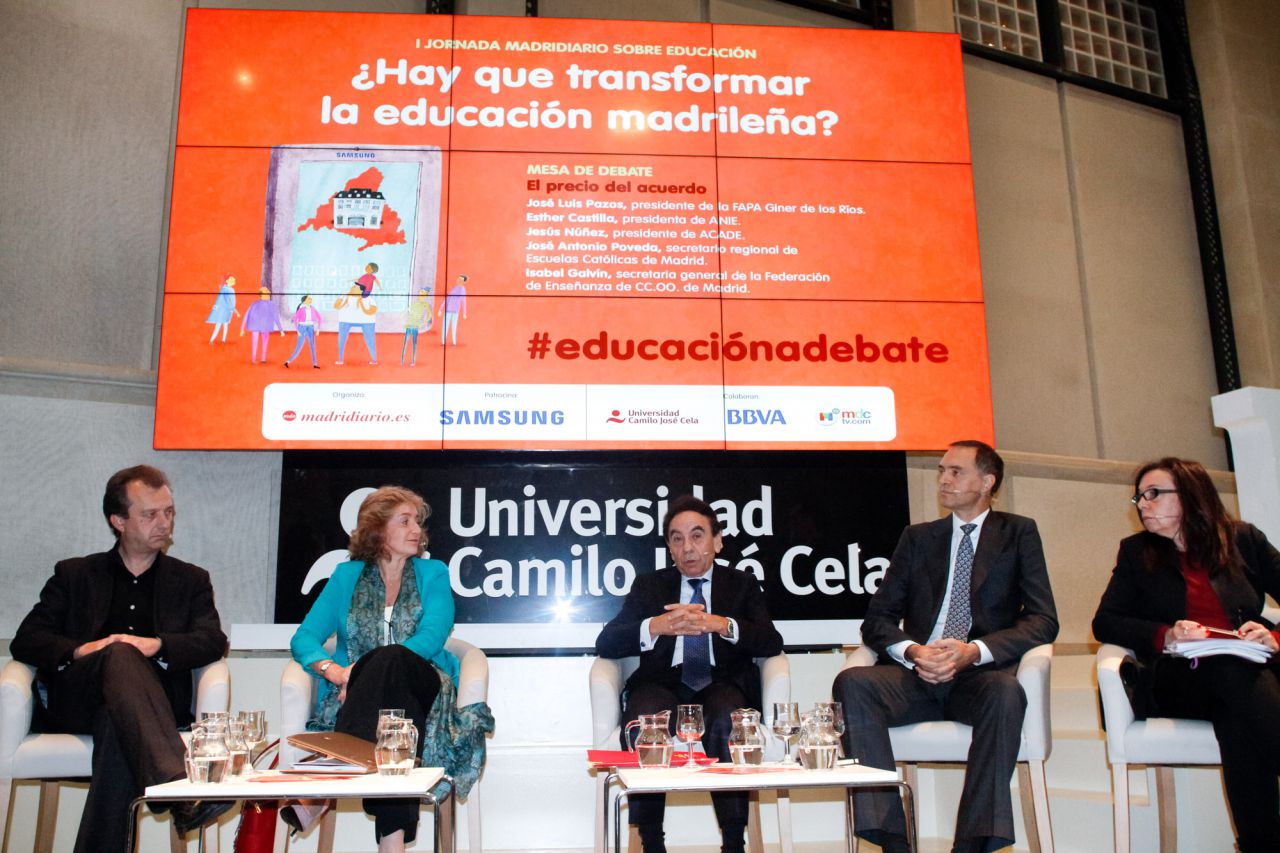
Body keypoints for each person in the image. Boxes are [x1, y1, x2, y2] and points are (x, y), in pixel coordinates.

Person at [832, 440, 1059, 853]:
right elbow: (877, 619)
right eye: (941, 471)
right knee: (853, 683)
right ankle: (893, 841)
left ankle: (971, 845)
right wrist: (914, 651)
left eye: (956, 471)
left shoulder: (1018, 532)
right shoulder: (918, 538)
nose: (944, 479)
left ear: (988, 481)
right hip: (916, 675)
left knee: (1008, 693)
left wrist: (976, 651)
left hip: (978, 677)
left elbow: (1043, 619)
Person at [10, 465, 230, 852]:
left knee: (117, 719)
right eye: (150, 515)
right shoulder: (75, 574)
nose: (163, 523)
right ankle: (177, 785)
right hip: (78, 697)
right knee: (117, 653)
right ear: (118, 521)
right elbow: (27, 639)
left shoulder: (190, 580)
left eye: (169, 512)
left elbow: (212, 641)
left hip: (150, 708)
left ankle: (168, 792)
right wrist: (84, 649)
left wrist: (157, 645)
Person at [1093, 457, 1280, 853]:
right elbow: (1106, 622)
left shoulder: (1243, 539)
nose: (1142, 504)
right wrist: (1166, 634)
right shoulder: (1135, 552)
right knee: (1235, 673)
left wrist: (1273, 636)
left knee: (1238, 721)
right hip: (1180, 679)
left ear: (1192, 497)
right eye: (1139, 497)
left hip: (1246, 681)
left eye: (1154, 494)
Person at [291, 486, 491, 853]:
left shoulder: (433, 573)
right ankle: (393, 843)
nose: (417, 529)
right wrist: (334, 672)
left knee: (393, 659)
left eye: (417, 521)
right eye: (405, 520)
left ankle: (333, 771)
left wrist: (364, 669)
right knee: (393, 725)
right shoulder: (345, 577)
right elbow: (304, 639)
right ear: (378, 530)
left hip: (425, 684)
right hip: (365, 701)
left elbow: (431, 635)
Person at [596, 495, 784, 853]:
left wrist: (721, 624)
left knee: (728, 720)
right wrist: (656, 625)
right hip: (662, 684)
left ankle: (733, 843)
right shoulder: (649, 586)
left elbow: (771, 642)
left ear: (717, 540)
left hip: (721, 683)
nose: (688, 547)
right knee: (644, 722)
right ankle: (652, 842)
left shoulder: (741, 584)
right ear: (669, 546)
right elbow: (607, 642)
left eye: (697, 536)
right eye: (677, 538)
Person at [334, 283, 378, 365]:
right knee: (341, 340)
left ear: (361, 290)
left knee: (370, 341)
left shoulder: (368, 299)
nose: (352, 288)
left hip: (367, 321)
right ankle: (340, 359)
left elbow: (373, 310)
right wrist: (342, 300)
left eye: (354, 287)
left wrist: (363, 307)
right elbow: (336, 306)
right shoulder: (344, 297)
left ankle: (374, 359)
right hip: (345, 320)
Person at [239, 286, 285, 363]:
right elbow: (276, 318)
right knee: (262, 342)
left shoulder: (256, 304)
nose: (268, 294)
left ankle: (258, 359)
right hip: (263, 325)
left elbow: (246, 315)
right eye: (267, 293)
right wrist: (281, 330)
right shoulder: (271, 305)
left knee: (258, 342)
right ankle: (260, 359)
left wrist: (242, 329)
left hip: (256, 325)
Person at [284, 294, 322, 369]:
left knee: (312, 346)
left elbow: (319, 318)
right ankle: (288, 361)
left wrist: (318, 329)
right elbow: (295, 320)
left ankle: (315, 364)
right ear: (304, 301)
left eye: (310, 299)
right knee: (299, 346)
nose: (310, 300)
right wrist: (297, 330)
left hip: (310, 327)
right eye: (308, 299)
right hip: (302, 327)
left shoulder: (313, 309)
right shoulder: (301, 310)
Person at [204, 274, 239, 343]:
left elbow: (231, 301)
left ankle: (223, 340)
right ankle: (212, 340)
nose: (233, 281)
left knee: (225, 325)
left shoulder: (230, 289)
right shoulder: (225, 289)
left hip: (227, 310)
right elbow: (228, 301)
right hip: (222, 310)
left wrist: (233, 309)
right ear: (227, 281)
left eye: (233, 280)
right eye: (231, 280)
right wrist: (235, 311)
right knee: (219, 325)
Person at [401, 287, 431, 366]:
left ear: (426, 294)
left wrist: (423, 324)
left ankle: (413, 361)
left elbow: (429, 316)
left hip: (415, 326)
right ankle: (402, 360)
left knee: (414, 343)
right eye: (420, 291)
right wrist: (406, 320)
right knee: (405, 343)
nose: (421, 293)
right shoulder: (415, 304)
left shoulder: (426, 305)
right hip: (409, 325)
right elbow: (408, 312)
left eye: (423, 292)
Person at [438, 274, 468, 346]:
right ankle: (443, 342)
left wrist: (464, 312)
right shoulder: (454, 288)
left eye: (460, 279)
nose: (458, 280)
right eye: (458, 279)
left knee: (454, 327)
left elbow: (463, 301)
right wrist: (441, 309)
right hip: (448, 310)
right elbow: (447, 299)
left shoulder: (462, 289)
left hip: (455, 312)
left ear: (464, 282)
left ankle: (454, 342)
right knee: (445, 326)